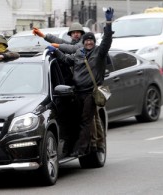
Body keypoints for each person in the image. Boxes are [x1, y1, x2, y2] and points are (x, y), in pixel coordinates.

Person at [46, 7, 114, 157]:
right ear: (83, 42)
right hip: (77, 93)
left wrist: (108, 22)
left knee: (86, 121)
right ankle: (89, 146)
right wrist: (55, 51)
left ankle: (82, 149)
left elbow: (107, 40)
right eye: (87, 40)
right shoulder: (79, 53)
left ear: (94, 43)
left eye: (91, 40)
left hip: (90, 93)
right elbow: (65, 60)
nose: (89, 42)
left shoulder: (99, 53)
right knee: (79, 120)